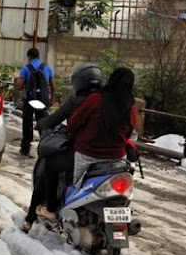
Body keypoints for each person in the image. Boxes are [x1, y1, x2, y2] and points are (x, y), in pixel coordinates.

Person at [34, 67, 137, 223]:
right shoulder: (131, 107)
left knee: (51, 164)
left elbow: (74, 124)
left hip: (88, 156)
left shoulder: (96, 100)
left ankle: (51, 210)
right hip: (117, 159)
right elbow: (129, 131)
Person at [21, 63, 103, 232]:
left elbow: (58, 118)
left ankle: (46, 211)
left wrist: (42, 123)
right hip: (112, 154)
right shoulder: (107, 101)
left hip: (84, 151)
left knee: (50, 164)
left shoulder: (79, 102)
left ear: (79, 82)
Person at [16, 47, 56, 157]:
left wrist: (21, 83)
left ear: (29, 57)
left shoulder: (26, 68)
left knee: (27, 123)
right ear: (38, 56)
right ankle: (44, 148)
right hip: (43, 101)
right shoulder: (47, 68)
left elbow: (19, 86)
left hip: (29, 100)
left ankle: (25, 149)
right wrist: (52, 98)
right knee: (43, 123)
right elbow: (53, 86)